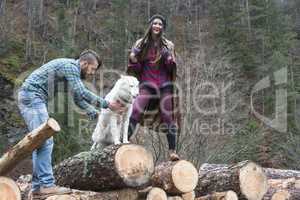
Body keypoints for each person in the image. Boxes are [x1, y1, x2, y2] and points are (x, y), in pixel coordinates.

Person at [18, 49, 124, 199]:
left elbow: (77, 98)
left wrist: (94, 112)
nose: (92, 73)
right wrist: (107, 104)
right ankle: (46, 185)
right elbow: (82, 93)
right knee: (45, 141)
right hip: (32, 96)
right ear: (84, 63)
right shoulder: (70, 67)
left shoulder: (70, 70)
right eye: (92, 69)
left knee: (40, 142)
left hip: (32, 97)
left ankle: (37, 187)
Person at [127, 14, 180, 161]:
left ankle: (172, 151)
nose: (157, 26)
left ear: (163, 28)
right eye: (155, 23)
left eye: (160, 24)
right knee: (136, 109)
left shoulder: (168, 45)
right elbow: (136, 68)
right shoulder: (140, 44)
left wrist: (169, 59)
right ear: (150, 25)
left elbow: (171, 69)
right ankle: (124, 140)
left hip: (164, 86)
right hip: (147, 84)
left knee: (168, 116)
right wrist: (133, 59)